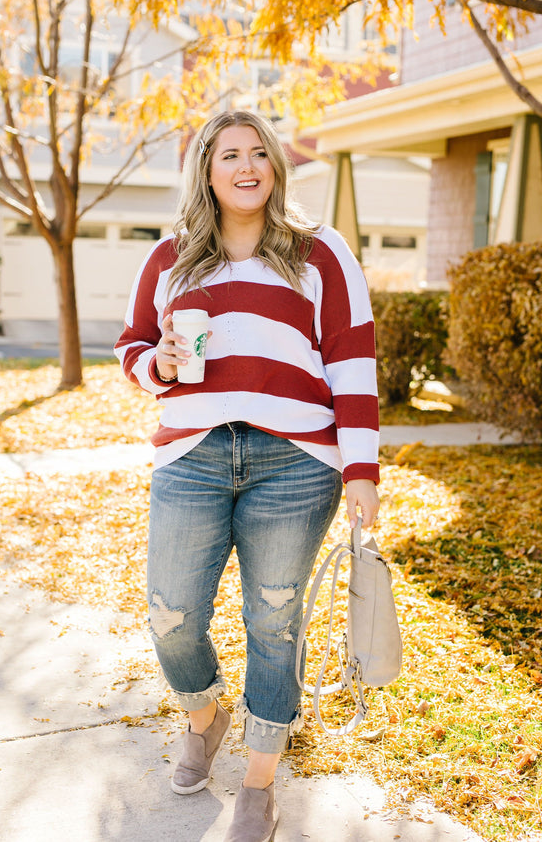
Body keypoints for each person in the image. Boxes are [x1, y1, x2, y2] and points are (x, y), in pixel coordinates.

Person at [115, 109, 380, 842]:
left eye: (260, 152)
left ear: (276, 166)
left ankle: (259, 782)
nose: (247, 165)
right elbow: (133, 345)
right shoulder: (169, 257)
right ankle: (206, 719)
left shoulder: (320, 253)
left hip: (295, 461)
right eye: (230, 153)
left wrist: (363, 469)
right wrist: (157, 365)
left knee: (273, 619)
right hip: (192, 454)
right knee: (170, 612)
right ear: (207, 168)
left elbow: (353, 363)